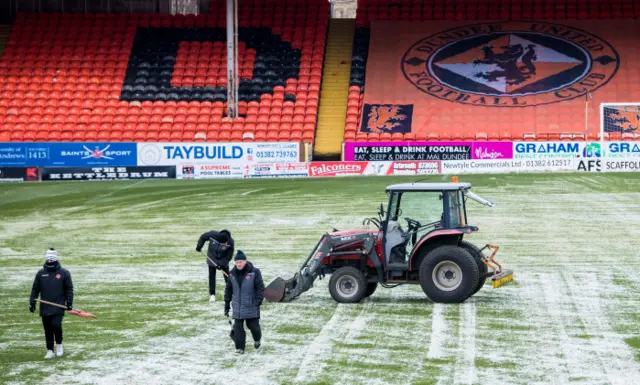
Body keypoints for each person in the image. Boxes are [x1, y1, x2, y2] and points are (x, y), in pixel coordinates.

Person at [29, 248, 73, 360]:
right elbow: (35, 289)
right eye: (48, 260)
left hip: (59, 305)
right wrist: (32, 302)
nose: (50, 262)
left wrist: (69, 303)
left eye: (52, 259)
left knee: (56, 325)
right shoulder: (40, 273)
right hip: (45, 306)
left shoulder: (64, 273)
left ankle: (59, 345)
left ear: (55, 259)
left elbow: (69, 289)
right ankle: (49, 350)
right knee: (47, 329)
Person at [224, 250, 264, 354]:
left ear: (245, 261)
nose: (239, 264)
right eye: (237, 262)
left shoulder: (255, 272)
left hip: (251, 305)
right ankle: (240, 348)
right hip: (237, 306)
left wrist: (259, 299)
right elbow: (228, 289)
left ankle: (257, 340)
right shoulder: (232, 274)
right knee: (238, 328)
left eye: (240, 262)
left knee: (253, 326)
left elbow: (260, 287)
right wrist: (227, 304)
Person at [195, 229, 235, 302]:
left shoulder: (231, 242)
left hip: (223, 258)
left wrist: (221, 264)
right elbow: (203, 237)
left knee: (227, 277)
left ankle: (231, 293)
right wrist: (199, 246)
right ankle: (212, 295)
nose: (224, 245)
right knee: (211, 276)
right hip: (212, 257)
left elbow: (229, 256)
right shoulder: (212, 234)